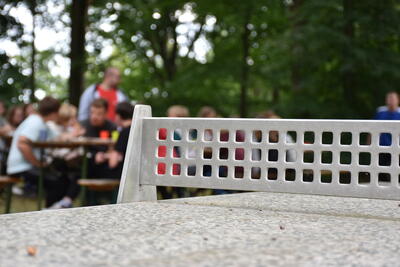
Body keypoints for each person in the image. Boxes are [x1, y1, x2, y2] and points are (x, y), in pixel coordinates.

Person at [6, 97, 65, 207]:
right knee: (57, 183)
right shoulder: (35, 122)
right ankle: (50, 211)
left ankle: (52, 208)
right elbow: (22, 144)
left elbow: (59, 138)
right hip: (20, 167)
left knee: (61, 177)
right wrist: (38, 164)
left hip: (26, 165)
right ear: (54, 113)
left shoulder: (42, 123)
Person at [95, 102, 134, 179]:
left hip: (124, 174)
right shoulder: (137, 130)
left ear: (119, 116)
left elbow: (113, 163)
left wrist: (104, 156)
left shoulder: (123, 132)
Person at [81, 98, 117, 179]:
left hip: (105, 162)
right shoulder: (83, 126)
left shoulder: (112, 127)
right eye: (92, 113)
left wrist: (104, 155)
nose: (94, 117)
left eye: (99, 114)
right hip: (87, 161)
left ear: (105, 114)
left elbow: (114, 145)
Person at [373, 91, 400, 167]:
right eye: (389, 98)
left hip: (397, 148)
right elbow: (372, 128)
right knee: (381, 170)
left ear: (398, 100)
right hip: (381, 148)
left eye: (393, 98)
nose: (391, 100)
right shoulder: (380, 112)